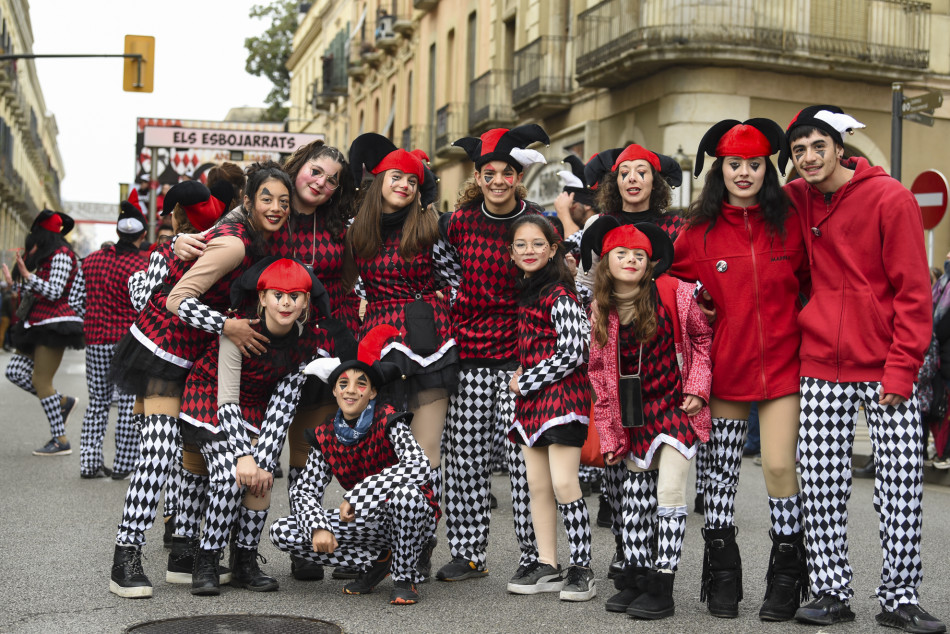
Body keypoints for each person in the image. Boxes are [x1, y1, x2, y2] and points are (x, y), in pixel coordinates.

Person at [782, 105, 945, 632]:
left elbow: (914, 294)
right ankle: (831, 591)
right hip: (819, 367)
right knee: (821, 488)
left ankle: (900, 597)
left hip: (884, 368)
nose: (809, 157)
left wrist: (901, 371)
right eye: (799, 150)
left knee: (901, 489)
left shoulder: (890, 198)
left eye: (818, 146)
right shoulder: (796, 199)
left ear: (839, 146)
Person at [109, 166, 290, 599]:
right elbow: (176, 300)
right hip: (165, 348)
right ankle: (125, 558)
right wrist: (228, 325)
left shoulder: (251, 232)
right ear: (248, 200)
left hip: (198, 352)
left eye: (284, 202)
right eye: (267, 199)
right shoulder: (235, 241)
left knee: (193, 457)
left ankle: (183, 555)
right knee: (158, 454)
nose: (276, 208)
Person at [669, 118, 810, 620]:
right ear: (720, 169)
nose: (744, 172)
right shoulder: (697, 233)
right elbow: (672, 287)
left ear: (767, 169)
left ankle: (787, 575)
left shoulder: (790, 223)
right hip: (725, 369)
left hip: (784, 367)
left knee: (779, 466)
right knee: (719, 475)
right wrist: (698, 304)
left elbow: (813, 281)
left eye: (754, 164)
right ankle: (722, 572)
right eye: (734, 164)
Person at [432, 125, 553, 585]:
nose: (498, 180)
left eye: (506, 172)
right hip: (469, 359)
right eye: (489, 173)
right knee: (465, 463)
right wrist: (459, 299)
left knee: (524, 467)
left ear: (518, 177)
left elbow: (553, 283)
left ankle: (534, 555)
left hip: (521, 363)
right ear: (478, 177)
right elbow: (445, 272)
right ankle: (468, 554)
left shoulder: (538, 222)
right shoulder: (457, 223)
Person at [176, 257, 332, 596]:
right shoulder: (239, 330)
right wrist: (244, 455)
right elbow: (227, 401)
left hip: (256, 408)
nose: (286, 303)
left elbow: (283, 406)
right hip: (210, 399)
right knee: (231, 476)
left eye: (295, 296)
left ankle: (244, 563)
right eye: (278, 295)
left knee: (260, 480)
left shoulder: (306, 342)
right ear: (262, 297)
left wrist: (262, 461)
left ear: (306, 301)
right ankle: (207, 560)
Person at [587, 219, 712, 620]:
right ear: (606, 262)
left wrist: (697, 387)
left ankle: (663, 584)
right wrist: (609, 435)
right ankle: (638, 575)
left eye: (639, 255)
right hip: (634, 415)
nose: (631, 260)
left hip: (675, 408)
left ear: (650, 262)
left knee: (669, 491)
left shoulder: (675, 293)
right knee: (635, 501)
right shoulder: (600, 309)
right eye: (621, 254)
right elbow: (599, 377)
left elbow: (701, 339)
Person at [269, 324, 440, 606]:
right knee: (281, 532)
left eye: (361, 384)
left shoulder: (389, 420)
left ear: (372, 392)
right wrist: (317, 527)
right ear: (334, 391)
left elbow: (419, 466)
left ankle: (404, 575)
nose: (351, 391)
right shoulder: (326, 435)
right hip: (368, 523)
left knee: (406, 495)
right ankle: (379, 560)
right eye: (343, 384)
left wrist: (360, 494)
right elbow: (304, 491)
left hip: (411, 517)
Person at [580, 144, 686, 581]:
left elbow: (686, 279)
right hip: (613, 343)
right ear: (615, 181)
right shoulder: (600, 225)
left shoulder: (676, 225)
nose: (633, 179)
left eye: (642, 172)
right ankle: (627, 551)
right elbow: (585, 279)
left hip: (658, 349)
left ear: (654, 181)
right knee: (618, 467)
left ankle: (653, 560)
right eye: (625, 173)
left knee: (655, 469)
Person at [504, 215, 595, 601]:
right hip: (533, 404)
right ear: (511, 253)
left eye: (538, 243)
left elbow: (575, 351)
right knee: (537, 485)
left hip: (563, 399)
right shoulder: (529, 291)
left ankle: (582, 567)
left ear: (553, 248)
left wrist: (526, 380)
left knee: (563, 483)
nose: (529, 250)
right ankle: (547, 563)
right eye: (521, 244)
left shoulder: (560, 293)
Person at [3, 209, 84, 456]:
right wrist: (15, 283)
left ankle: (60, 440)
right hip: (38, 323)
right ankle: (61, 402)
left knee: (41, 381)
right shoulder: (49, 256)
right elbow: (39, 290)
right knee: (14, 372)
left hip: (56, 324)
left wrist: (27, 276)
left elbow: (54, 291)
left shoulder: (61, 255)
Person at [78, 197, 148, 479]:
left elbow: (77, 301)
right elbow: (145, 306)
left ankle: (89, 463)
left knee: (97, 402)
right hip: (128, 342)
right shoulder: (142, 265)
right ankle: (124, 465)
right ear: (143, 234)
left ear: (117, 231)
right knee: (129, 402)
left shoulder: (91, 261)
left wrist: (93, 317)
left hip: (95, 340)